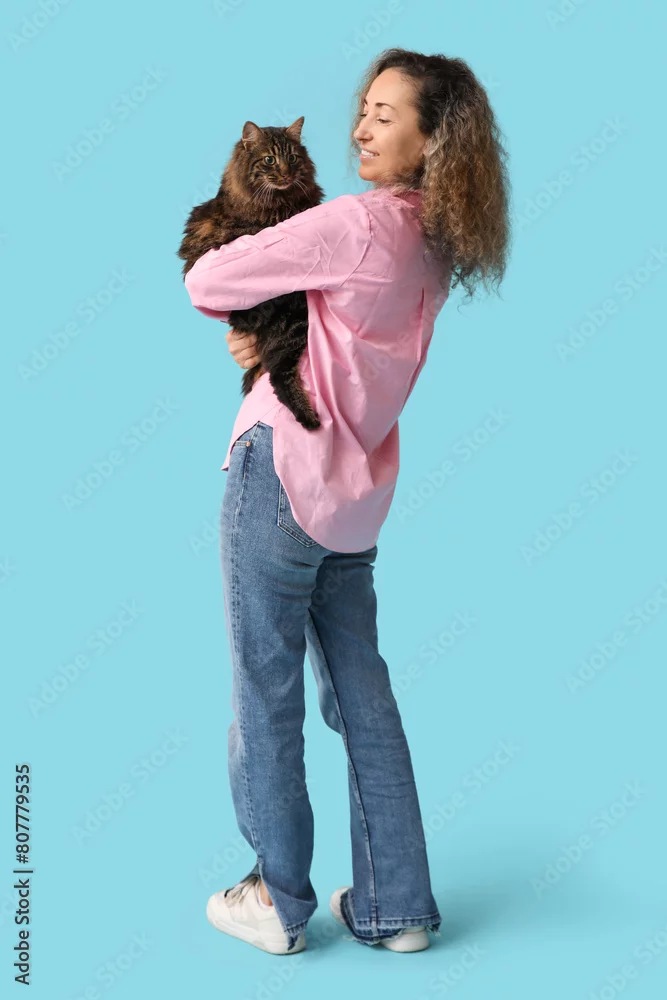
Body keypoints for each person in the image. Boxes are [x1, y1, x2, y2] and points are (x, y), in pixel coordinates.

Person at [183, 47, 510, 956]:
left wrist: (253, 328)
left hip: (280, 475)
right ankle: (395, 906)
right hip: (354, 501)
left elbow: (207, 281)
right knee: (363, 695)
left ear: (431, 139)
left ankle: (277, 901)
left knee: (265, 693)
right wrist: (275, 334)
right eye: (362, 108)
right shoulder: (436, 242)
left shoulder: (353, 221)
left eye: (385, 115)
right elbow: (344, 337)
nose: (361, 126)